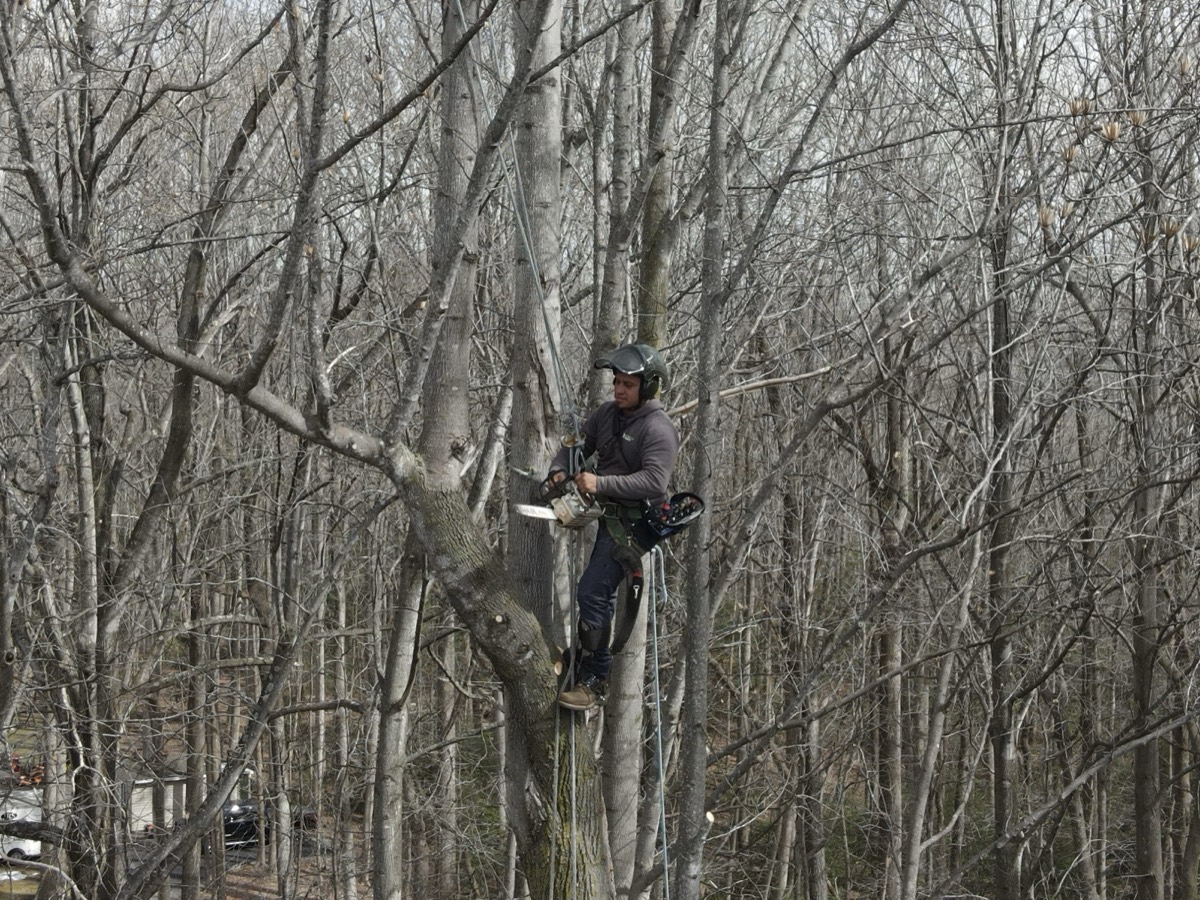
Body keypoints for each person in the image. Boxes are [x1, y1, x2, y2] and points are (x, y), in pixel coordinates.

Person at [545, 343, 680, 711]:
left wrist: (600, 484)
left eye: (628, 385)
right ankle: (586, 655)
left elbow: (654, 481)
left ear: (649, 387)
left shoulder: (658, 428)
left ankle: (594, 679)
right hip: (607, 514)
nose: (618, 390)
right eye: (617, 382)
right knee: (591, 592)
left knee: (592, 590)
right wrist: (560, 468)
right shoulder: (606, 414)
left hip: (637, 524)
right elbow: (575, 445)